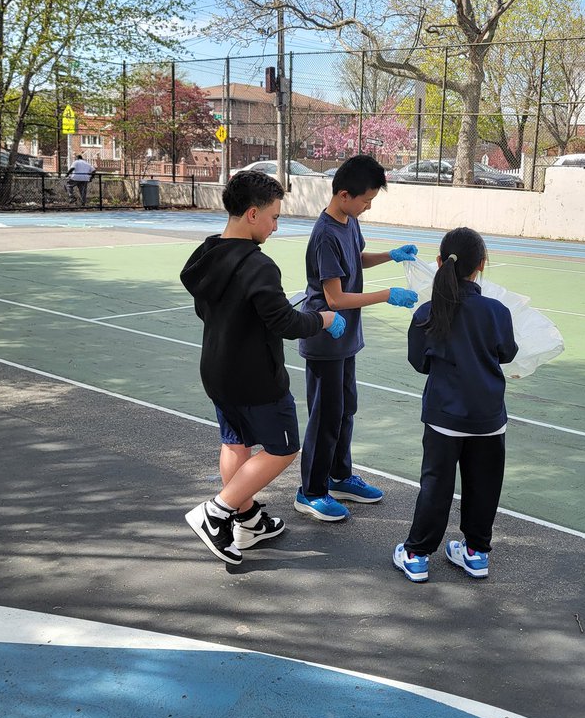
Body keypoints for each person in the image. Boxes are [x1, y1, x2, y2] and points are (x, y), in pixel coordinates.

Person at [180, 170, 346, 564]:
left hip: (216, 369)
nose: (276, 225)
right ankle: (217, 512)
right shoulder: (259, 266)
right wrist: (323, 319)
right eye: (273, 216)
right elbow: (286, 324)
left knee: (235, 441)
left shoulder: (206, 253)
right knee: (284, 448)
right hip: (255, 376)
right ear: (252, 214)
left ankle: (248, 519)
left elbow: (208, 308)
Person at [295, 154, 420, 521]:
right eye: (366, 200)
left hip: (346, 338)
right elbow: (334, 298)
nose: (367, 207)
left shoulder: (348, 223)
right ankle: (311, 490)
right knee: (325, 416)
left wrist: (391, 256)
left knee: (345, 409)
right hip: (326, 338)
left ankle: (339, 476)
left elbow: (357, 259)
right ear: (345, 194)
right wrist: (385, 295)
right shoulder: (324, 235)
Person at [393, 227, 518, 583]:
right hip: (488, 418)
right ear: (480, 265)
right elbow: (507, 353)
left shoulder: (427, 313)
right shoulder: (496, 311)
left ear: (439, 262)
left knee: (436, 485)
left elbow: (419, 362)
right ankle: (477, 553)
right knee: (484, 484)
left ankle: (417, 555)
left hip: (444, 416)